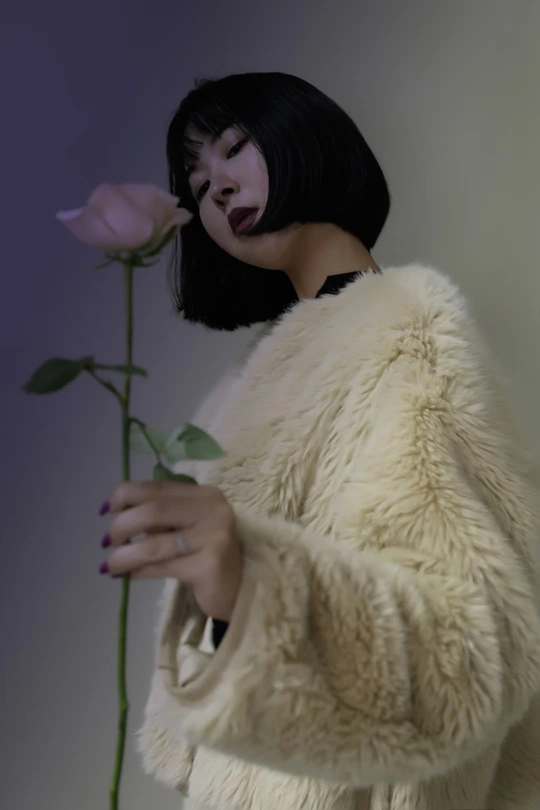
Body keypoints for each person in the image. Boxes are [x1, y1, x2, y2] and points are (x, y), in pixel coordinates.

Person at [100, 72, 540, 809]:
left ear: (300, 134)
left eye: (234, 148)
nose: (218, 189)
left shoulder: (402, 334)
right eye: (199, 185)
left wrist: (257, 588)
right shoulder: (255, 377)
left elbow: (466, 658)